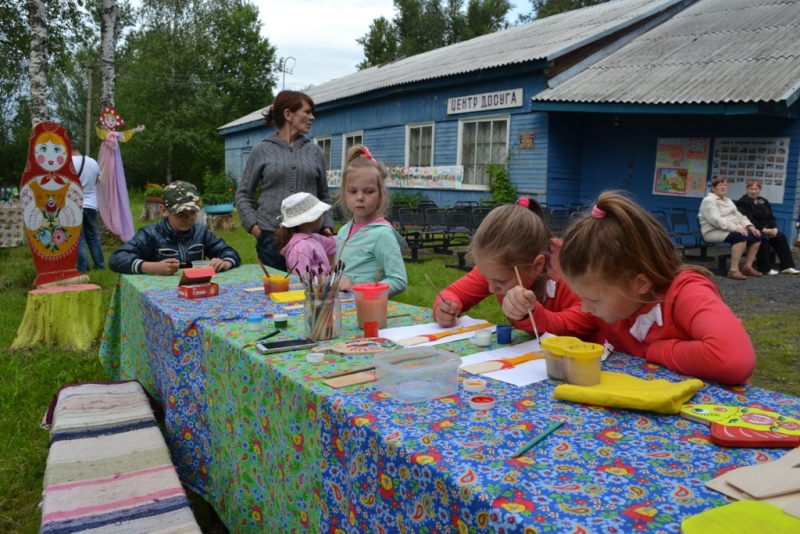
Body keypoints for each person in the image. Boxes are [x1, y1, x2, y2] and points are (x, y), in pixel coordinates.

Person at [504, 191, 755, 385]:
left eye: (593, 299)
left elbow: (733, 360)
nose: (585, 307)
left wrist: (656, 350)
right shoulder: (613, 303)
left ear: (640, 284)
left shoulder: (686, 292)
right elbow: (566, 325)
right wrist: (528, 312)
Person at [434, 198, 599, 341]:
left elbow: (582, 323)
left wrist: (531, 314)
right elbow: (454, 293)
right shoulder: (496, 268)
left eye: (501, 281)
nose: (491, 288)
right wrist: (446, 306)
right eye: (486, 277)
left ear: (537, 266)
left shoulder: (572, 269)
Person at [236, 90, 333, 271]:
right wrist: (256, 230)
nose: (312, 117)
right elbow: (243, 194)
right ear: (288, 114)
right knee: (275, 294)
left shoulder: (315, 152)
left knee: (310, 293)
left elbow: (324, 195)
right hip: (270, 240)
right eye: (307, 112)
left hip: (309, 240)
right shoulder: (261, 150)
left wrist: (326, 225)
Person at [109, 181, 241, 275]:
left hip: (197, 291)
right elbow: (116, 258)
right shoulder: (151, 234)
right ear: (164, 210)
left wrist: (224, 263)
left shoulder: (201, 232)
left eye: (192, 213)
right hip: (159, 294)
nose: (188, 218)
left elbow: (230, 253)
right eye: (180, 213)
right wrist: (153, 267)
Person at [335, 145, 407, 297]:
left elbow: (398, 280)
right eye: (353, 191)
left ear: (381, 194)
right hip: (343, 313)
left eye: (369, 191)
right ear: (344, 193)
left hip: (369, 315)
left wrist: (357, 288)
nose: (360, 197)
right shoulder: (342, 231)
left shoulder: (382, 234)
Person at [698, 178, 764, 281]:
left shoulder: (728, 200)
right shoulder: (709, 201)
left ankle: (747, 267)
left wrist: (751, 227)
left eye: (725, 185)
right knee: (741, 236)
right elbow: (716, 219)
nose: (723, 187)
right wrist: (735, 228)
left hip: (728, 229)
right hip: (712, 231)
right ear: (713, 188)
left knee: (757, 236)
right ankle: (733, 270)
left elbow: (739, 216)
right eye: (720, 185)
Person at [735, 180, 799, 275]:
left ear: (760, 190)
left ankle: (786, 266)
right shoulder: (743, 202)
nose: (753, 191)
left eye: (756, 189)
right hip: (752, 229)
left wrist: (774, 228)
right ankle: (765, 268)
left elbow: (770, 217)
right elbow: (749, 219)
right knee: (762, 239)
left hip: (767, 228)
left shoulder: (763, 201)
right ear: (747, 189)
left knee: (780, 237)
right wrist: (764, 230)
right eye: (751, 189)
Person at [274, 192, 337, 279]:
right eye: (319, 213)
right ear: (309, 219)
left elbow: (338, 241)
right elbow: (302, 281)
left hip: (323, 290)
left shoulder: (314, 238)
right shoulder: (301, 248)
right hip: (312, 292)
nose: (322, 216)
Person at [72, 146, 105, 273]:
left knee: (79, 239)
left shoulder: (66, 163)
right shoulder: (92, 162)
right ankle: (100, 264)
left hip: (75, 204)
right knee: (92, 237)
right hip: (91, 204)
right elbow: (97, 180)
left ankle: (83, 268)